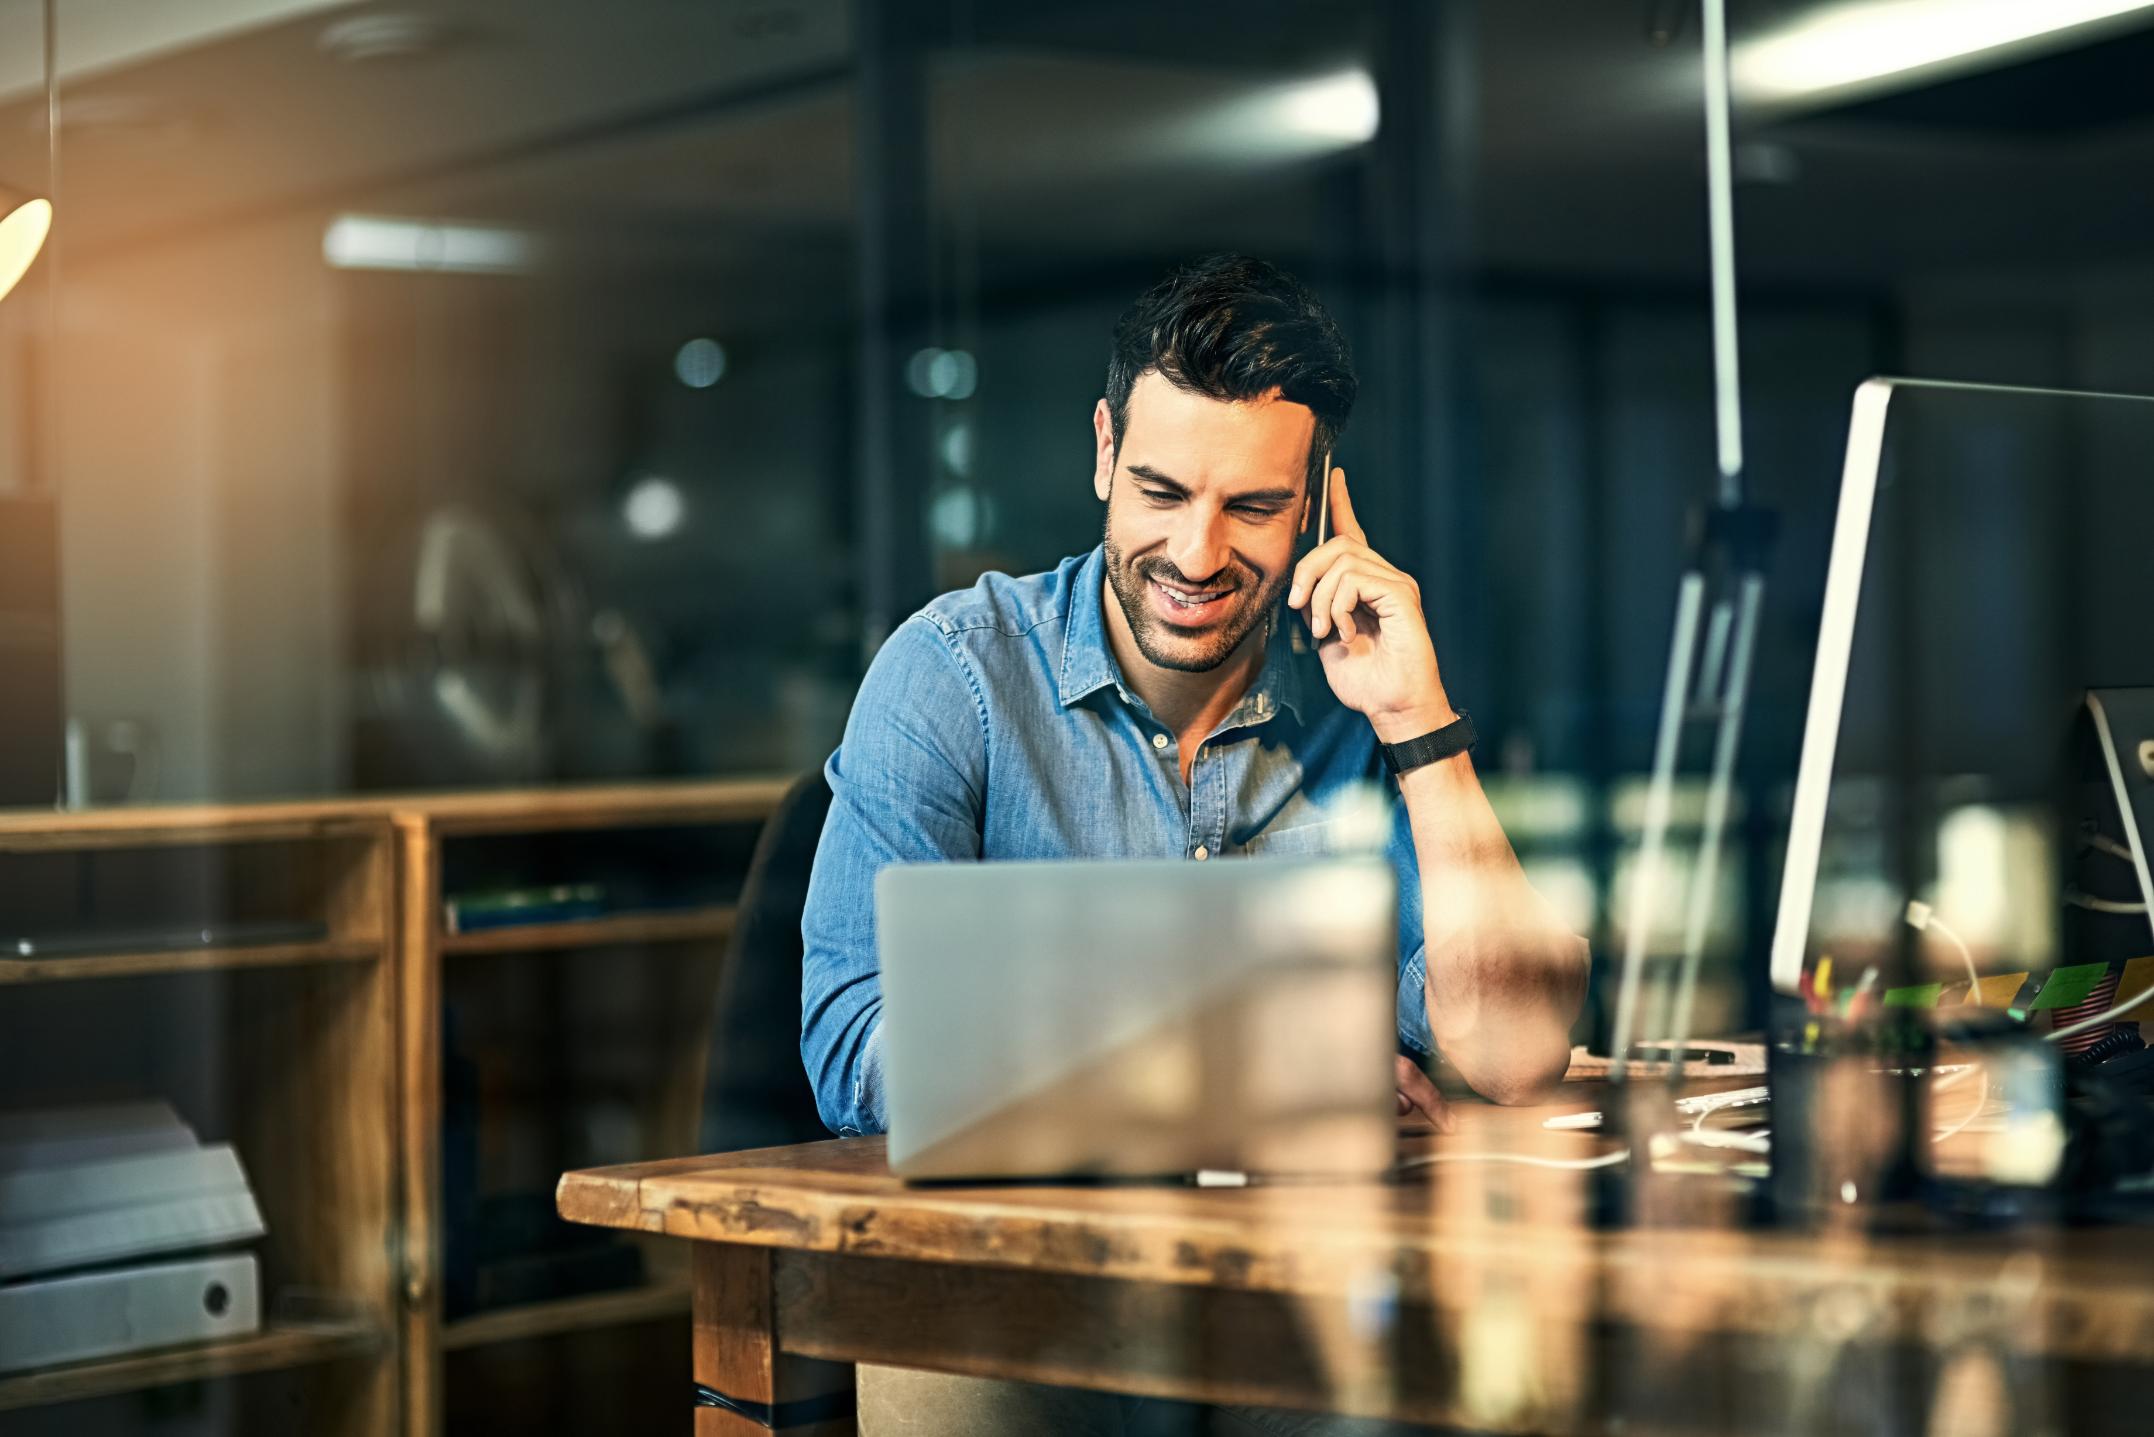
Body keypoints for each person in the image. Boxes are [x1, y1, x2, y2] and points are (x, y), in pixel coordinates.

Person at [800, 254, 1589, 1436]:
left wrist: (1419, 721)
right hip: (1040, 1326)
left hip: (1316, 1324)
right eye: (1162, 491)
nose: (1199, 553)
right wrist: (1257, 1066)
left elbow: (1514, 1046)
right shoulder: (955, 674)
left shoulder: (1353, 703)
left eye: (1255, 506)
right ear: (1105, 451)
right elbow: (858, 1053)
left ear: (1321, 499)